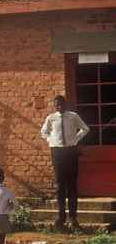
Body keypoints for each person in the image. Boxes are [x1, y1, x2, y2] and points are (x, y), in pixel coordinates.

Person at [41, 95, 89, 230]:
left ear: (65, 105)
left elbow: (85, 129)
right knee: (60, 185)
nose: (59, 107)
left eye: (61, 104)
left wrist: (75, 139)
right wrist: (50, 140)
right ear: (54, 106)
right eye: (57, 105)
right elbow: (43, 132)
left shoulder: (73, 116)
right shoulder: (51, 118)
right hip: (57, 152)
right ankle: (61, 217)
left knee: (72, 184)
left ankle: (73, 217)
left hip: (71, 151)